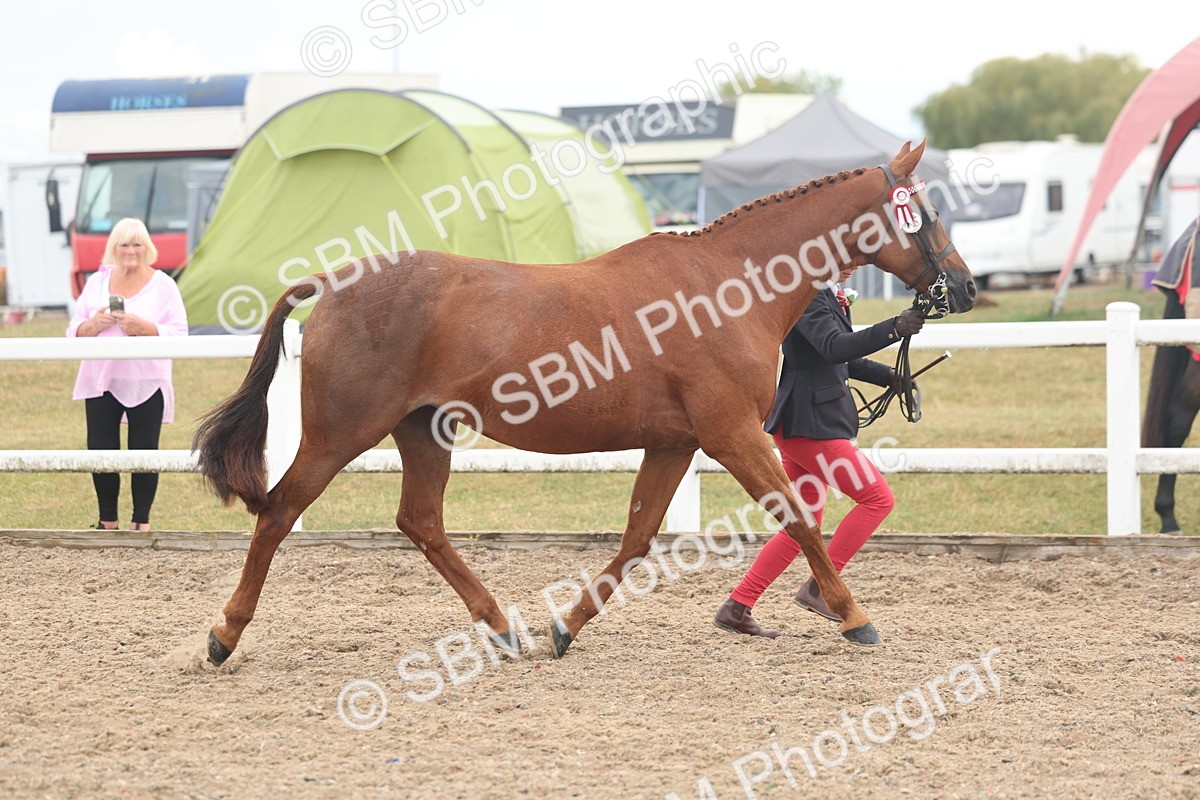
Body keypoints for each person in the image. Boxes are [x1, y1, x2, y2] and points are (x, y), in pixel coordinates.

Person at [714, 282, 925, 637]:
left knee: (802, 524)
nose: (857, 263)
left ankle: (738, 606)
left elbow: (842, 357)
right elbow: (833, 347)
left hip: (807, 420)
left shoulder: (827, 292)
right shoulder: (809, 293)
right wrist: (894, 328)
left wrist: (888, 376)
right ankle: (821, 587)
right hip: (810, 425)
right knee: (877, 499)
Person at [66, 218, 188, 531]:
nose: (130, 251)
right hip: (100, 380)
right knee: (100, 450)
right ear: (114, 248)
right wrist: (92, 326)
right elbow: (73, 329)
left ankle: (140, 523)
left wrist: (146, 329)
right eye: (123, 244)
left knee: (144, 452)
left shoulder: (164, 285)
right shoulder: (97, 281)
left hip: (146, 382)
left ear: (146, 248)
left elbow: (180, 333)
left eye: (136, 244)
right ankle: (107, 522)